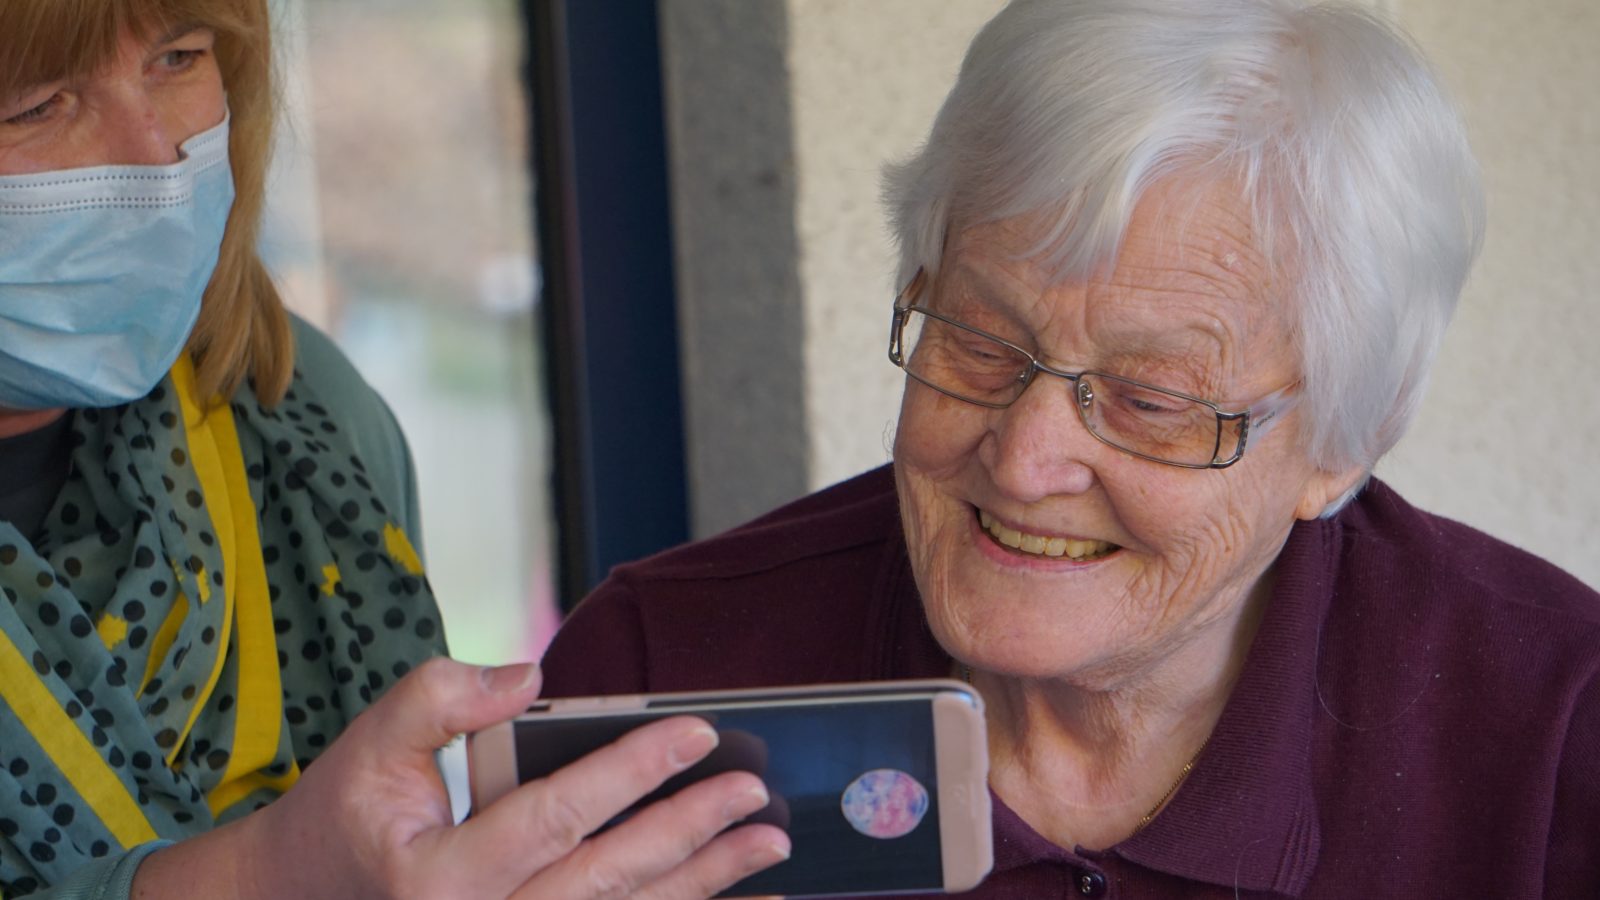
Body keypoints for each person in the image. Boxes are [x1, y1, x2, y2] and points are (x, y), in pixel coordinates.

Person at [540, 0, 1600, 896]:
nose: (1021, 459)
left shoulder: (1555, 730)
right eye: (977, 341)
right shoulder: (668, 670)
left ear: (1339, 446)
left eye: (1148, 397)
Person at [0, 1, 788, 897]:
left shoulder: (292, 414)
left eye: (179, 58)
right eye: (34, 107)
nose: (157, 158)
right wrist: (273, 872)